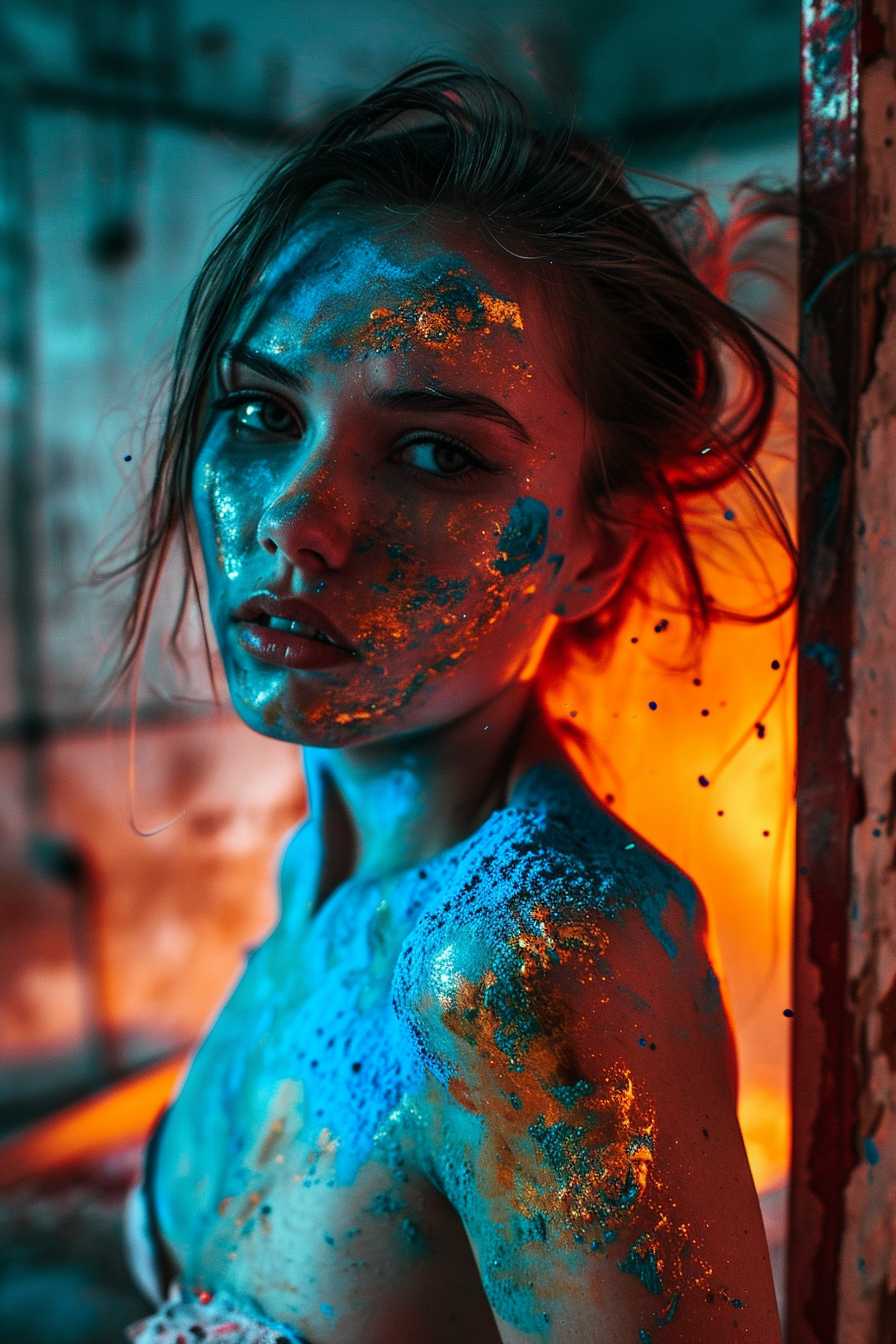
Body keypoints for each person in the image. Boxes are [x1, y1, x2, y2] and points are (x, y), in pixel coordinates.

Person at [122, 60, 790, 1344]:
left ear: (593, 550)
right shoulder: (319, 860)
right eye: (261, 412)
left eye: (436, 453)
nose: (294, 524)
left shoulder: (530, 967)